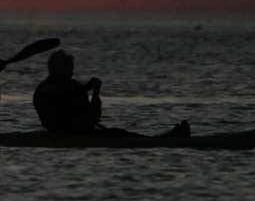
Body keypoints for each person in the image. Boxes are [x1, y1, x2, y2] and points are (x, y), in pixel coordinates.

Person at [33, 51, 190, 137]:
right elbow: (61, 98)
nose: (72, 72)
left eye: (71, 68)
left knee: (120, 134)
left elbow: (93, 116)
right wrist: (86, 88)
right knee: (119, 135)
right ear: (56, 69)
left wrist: (95, 93)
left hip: (85, 132)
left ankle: (162, 139)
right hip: (63, 133)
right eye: (68, 68)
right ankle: (165, 140)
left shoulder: (73, 85)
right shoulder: (45, 89)